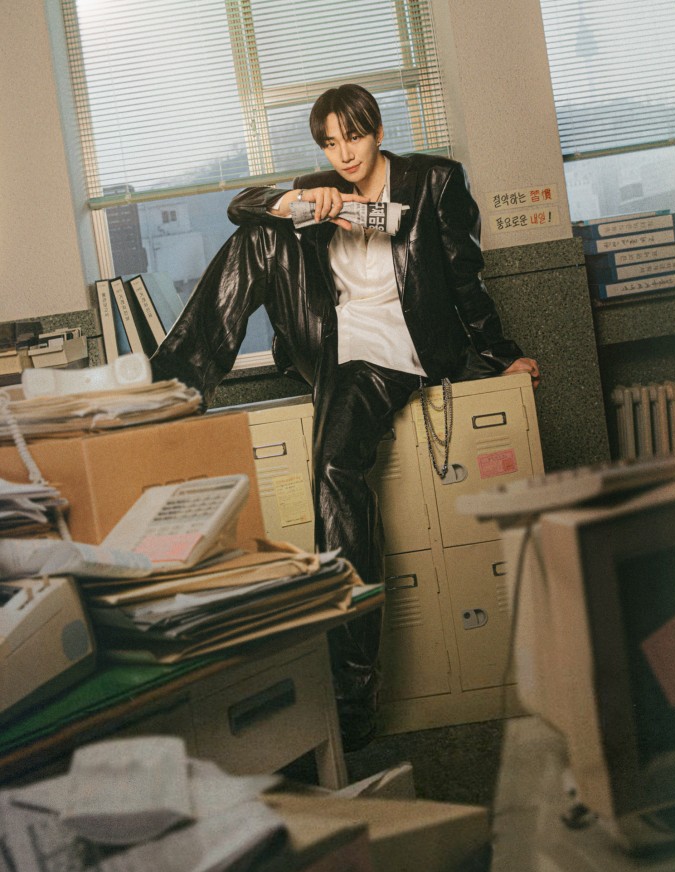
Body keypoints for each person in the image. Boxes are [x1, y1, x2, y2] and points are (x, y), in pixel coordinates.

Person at [150, 83, 539, 752]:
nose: (344, 153)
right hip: (329, 335)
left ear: (378, 130)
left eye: (353, 137)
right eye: (330, 144)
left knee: (333, 468)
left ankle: (353, 696)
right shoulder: (321, 188)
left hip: (397, 347)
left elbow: (464, 275)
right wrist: (293, 202)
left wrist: (500, 355)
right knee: (258, 237)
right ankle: (169, 391)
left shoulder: (434, 181)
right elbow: (240, 207)